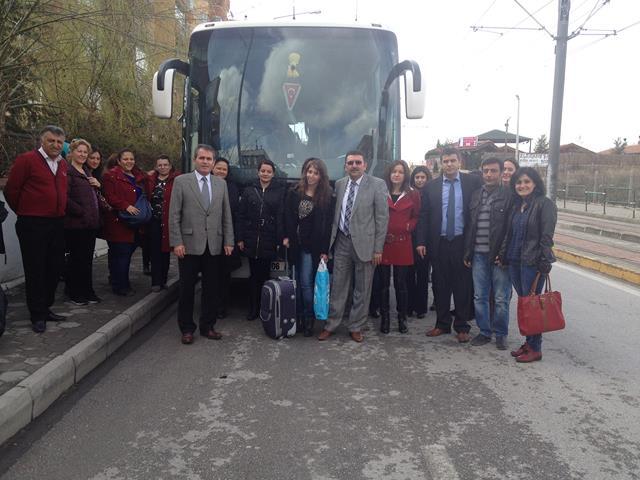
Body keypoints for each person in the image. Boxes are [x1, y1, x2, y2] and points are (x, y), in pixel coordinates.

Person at [318, 150, 389, 343]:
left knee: (362, 289)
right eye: (350, 163)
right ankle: (331, 325)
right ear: (345, 166)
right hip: (341, 241)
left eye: (358, 162)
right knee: (338, 287)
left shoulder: (377, 185)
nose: (354, 166)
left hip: (366, 245)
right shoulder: (340, 184)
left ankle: (356, 326)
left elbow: (382, 219)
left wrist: (378, 249)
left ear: (365, 165)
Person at [5, 125, 68, 333]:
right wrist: (26, 211)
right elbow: (12, 190)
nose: (55, 145)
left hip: (57, 222)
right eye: (51, 141)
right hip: (33, 223)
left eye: (59, 142)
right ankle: (37, 314)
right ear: (42, 141)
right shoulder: (27, 160)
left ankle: (46, 306)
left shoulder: (62, 164)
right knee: (36, 269)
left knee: (55, 267)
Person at [415, 147, 482, 343]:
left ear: (459, 162)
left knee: (462, 286)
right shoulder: (431, 187)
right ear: (441, 164)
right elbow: (424, 216)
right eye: (446, 161)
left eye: (453, 160)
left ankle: (462, 326)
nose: (449, 164)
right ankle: (442, 324)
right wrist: (420, 241)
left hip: (462, 242)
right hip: (439, 243)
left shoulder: (472, 183)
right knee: (440, 285)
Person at [169, 145, 234, 344]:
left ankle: (208, 326)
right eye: (202, 158)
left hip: (214, 245)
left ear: (213, 162)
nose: (206, 162)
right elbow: (174, 215)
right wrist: (176, 242)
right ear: (195, 160)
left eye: (209, 159)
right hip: (188, 245)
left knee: (211, 289)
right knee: (187, 289)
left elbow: (226, 215)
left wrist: (228, 241)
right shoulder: (181, 182)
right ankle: (187, 328)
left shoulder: (220, 184)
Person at [501, 167, 557, 362]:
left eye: (526, 182)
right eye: (518, 182)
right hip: (516, 261)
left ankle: (535, 348)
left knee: (532, 305)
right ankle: (529, 343)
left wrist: (544, 259)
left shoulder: (544, 204)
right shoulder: (519, 206)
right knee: (526, 304)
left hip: (533, 262)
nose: (522, 185)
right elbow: (511, 234)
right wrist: (504, 255)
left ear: (535, 183)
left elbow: (547, 235)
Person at [463, 157, 513, 350]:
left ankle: (501, 334)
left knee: (501, 297)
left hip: (499, 257)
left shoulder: (509, 196)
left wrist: (504, 254)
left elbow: (510, 229)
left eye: (493, 171)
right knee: (480, 296)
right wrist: (468, 252)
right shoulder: (476, 195)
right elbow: (470, 227)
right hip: (478, 254)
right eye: (486, 171)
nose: (489, 174)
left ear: (501, 173)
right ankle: (484, 332)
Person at [283, 158, 334, 337]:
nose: (311, 175)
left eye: (315, 173)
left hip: (312, 247)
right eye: (309, 171)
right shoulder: (294, 192)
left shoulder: (327, 196)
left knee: (306, 284)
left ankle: (308, 318)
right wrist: (287, 237)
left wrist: (324, 251)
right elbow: (287, 216)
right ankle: (294, 317)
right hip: (295, 244)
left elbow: (327, 226)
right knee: (294, 283)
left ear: (321, 176)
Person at [237, 160, 286, 321]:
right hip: (251, 239)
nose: (265, 174)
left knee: (265, 276)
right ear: (258, 172)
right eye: (263, 171)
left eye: (268, 171)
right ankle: (253, 308)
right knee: (253, 277)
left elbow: (280, 218)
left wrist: (279, 240)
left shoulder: (279, 192)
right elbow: (241, 215)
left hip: (269, 238)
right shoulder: (249, 190)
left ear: (273, 173)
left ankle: (265, 308)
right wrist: (240, 238)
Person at [377, 160, 420, 334]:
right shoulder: (381, 192)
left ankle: (402, 318)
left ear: (405, 175)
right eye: (394, 171)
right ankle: (385, 318)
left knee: (401, 283)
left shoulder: (412, 194)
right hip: (384, 243)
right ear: (389, 174)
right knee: (383, 284)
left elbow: (417, 215)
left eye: (400, 172)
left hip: (403, 243)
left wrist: (409, 226)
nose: (396, 174)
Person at [102, 148, 148, 296]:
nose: (129, 162)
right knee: (121, 254)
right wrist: (125, 206)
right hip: (119, 222)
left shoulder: (138, 175)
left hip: (135, 224)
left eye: (131, 159)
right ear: (119, 161)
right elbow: (109, 196)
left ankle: (118, 279)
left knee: (125, 254)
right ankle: (121, 286)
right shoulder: (111, 176)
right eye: (126, 159)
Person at [64, 139, 102, 305]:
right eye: (79, 151)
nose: (82, 155)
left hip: (90, 224)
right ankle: (74, 292)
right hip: (76, 224)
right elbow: (64, 198)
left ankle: (88, 290)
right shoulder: (68, 172)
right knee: (76, 260)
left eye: (85, 152)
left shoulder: (87, 171)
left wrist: (97, 185)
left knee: (87, 260)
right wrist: (81, 211)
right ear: (71, 152)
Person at [211, 157, 240, 319]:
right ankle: (210, 306)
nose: (221, 171)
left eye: (224, 170)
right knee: (210, 275)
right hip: (207, 238)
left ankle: (222, 307)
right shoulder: (204, 185)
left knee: (224, 275)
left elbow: (232, 210)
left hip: (225, 238)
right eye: (219, 168)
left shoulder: (232, 188)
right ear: (213, 168)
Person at [145, 155, 179, 292]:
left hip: (169, 221)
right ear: (156, 166)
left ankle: (163, 280)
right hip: (154, 221)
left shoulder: (177, 179)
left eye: (165, 165)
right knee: (155, 252)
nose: (163, 167)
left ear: (170, 166)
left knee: (165, 252)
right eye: (160, 165)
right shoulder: (151, 179)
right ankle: (156, 282)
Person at [408, 166, 432, 319]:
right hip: (409, 238)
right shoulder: (409, 194)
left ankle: (421, 308)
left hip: (426, 240)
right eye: (417, 177)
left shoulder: (431, 194)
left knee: (423, 275)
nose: (420, 180)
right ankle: (409, 305)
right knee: (409, 275)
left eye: (423, 177)